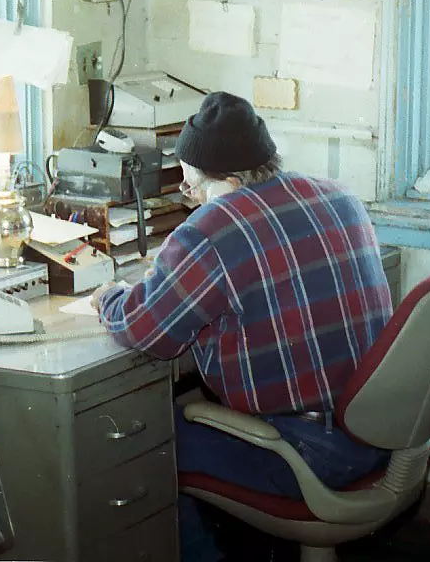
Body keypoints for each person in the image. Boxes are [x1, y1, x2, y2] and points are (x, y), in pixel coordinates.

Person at [93, 91, 394, 562]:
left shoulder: (213, 228)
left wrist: (105, 296)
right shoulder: (340, 196)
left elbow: (145, 331)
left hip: (309, 456)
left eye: (191, 189)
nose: (189, 200)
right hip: (380, 435)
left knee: (153, 442)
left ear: (229, 183)